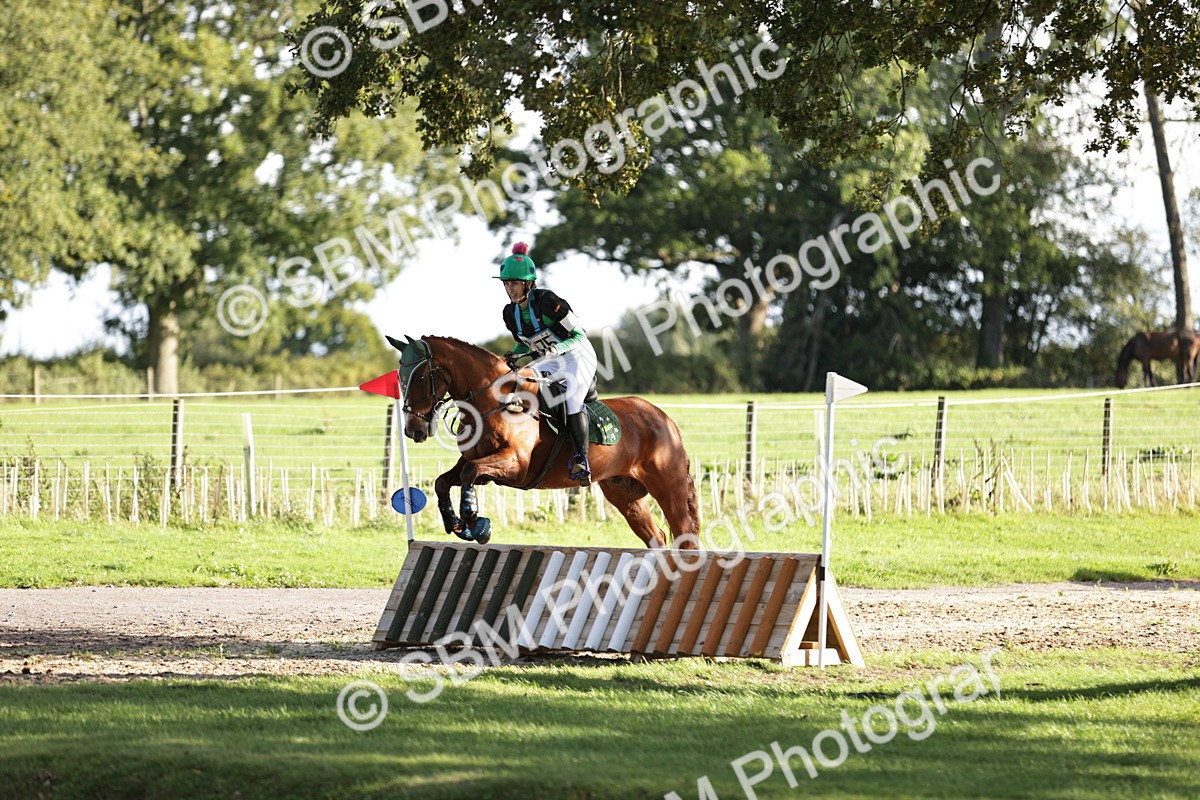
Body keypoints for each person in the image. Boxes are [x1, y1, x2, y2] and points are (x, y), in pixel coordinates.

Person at [497, 242, 599, 485]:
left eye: (514, 283)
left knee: (573, 399)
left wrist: (557, 348)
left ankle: (581, 459)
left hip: (577, 356)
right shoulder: (509, 313)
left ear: (528, 283)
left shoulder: (548, 302)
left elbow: (578, 335)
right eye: (507, 284)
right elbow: (526, 344)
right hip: (549, 360)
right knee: (517, 381)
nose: (510, 289)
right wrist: (514, 354)